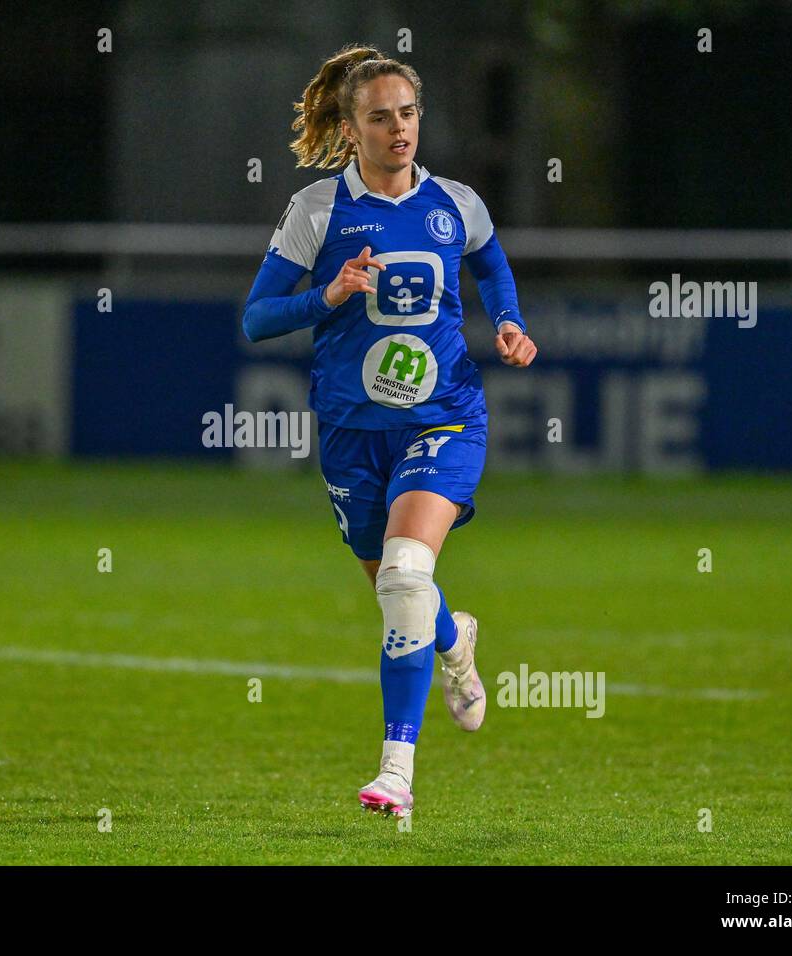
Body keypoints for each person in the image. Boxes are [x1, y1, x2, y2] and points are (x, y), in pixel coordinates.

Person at [241, 44, 537, 817]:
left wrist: (508, 322)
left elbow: (492, 264)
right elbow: (256, 318)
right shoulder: (317, 212)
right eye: (379, 117)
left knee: (407, 574)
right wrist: (327, 295)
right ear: (350, 126)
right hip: (350, 432)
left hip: (445, 419)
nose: (399, 129)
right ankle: (454, 641)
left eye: (407, 114)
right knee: (401, 593)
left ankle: (396, 772)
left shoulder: (456, 202)